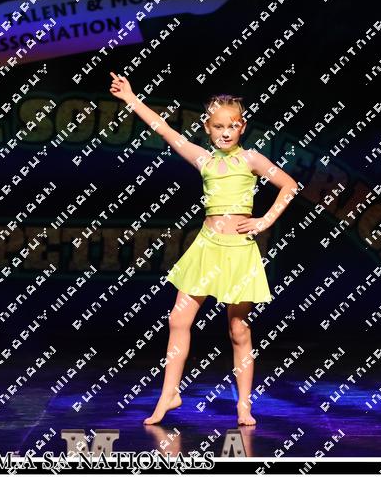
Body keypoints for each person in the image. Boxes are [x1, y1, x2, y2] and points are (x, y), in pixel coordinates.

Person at [109, 71, 299, 426]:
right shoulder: (204, 159)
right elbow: (165, 130)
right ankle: (169, 394)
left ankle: (244, 405)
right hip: (206, 247)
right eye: (218, 126)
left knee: (238, 329)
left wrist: (265, 221)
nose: (225, 132)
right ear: (207, 128)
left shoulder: (251, 159)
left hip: (239, 249)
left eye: (232, 126)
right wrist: (131, 98)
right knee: (178, 319)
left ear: (242, 127)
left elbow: (289, 185)